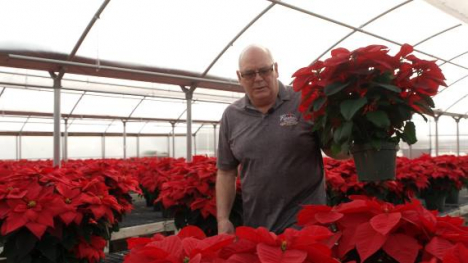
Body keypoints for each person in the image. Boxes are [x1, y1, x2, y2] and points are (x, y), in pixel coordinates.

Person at [216, 44, 341, 234]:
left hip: (307, 227)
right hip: (258, 229)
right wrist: (223, 219)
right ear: (239, 77)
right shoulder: (231, 116)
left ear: (276, 69)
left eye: (264, 71)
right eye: (249, 73)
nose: (258, 79)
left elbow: (335, 150)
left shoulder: (304, 101)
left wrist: (358, 137)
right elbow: (226, 172)